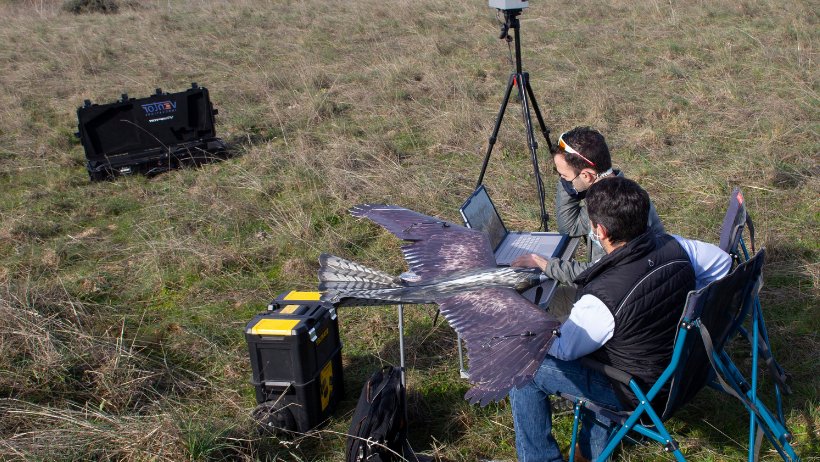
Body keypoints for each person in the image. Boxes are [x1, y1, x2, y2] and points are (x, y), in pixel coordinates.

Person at [509, 177, 731, 462]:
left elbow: (563, 350)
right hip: (683, 372)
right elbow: (723, 262)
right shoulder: (675, 247)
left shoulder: (603, 298)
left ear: (599, 231)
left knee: (525, 367)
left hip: (641, 392)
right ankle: (591, 453)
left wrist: (523, 324)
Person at [512, 127, 665, 285]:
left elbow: (601, 271)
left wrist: (546, 265)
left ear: (586, 175)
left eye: (564, 176)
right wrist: (572, 180)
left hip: (616, 289)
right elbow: (570, 226)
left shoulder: (613, 208)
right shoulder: (607, 192)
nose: (563, 181)